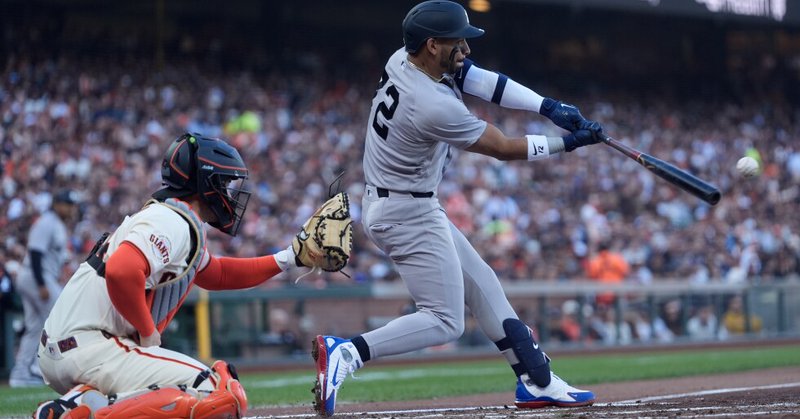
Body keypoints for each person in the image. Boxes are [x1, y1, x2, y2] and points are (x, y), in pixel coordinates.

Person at [311, 1, 603, 416]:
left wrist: (548, 107)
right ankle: (349, 351)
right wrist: (567, 143)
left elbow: (479, 79)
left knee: (483, 283)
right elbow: (502, 148)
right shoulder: (431, 104)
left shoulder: (404, 58)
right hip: (404, 212)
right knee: (445, 320)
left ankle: (536, 380)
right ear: (432, 45)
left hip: (404, 202)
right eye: (457, 42)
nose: (465, 48)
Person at [32, 133, 303, 419]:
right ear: (205, 184)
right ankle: (79, 411)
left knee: (210, 392)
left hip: (70, 350)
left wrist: (288, 258)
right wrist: (148, 332)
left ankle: (81, 404)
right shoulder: (173, 221)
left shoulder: (170, 217)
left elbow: (219, 274)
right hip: (93, 347)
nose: (229, 193)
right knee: (219, 395)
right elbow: (121, 271)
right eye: (224, 182)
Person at [9, 189, 79, 388]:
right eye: (67, 204)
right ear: (56, 204)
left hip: (39, 277)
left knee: (35, 327)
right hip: (35, 276)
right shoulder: (47, 222)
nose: (70, 208)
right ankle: (38, 367)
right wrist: (41, 284)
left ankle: (21, 373)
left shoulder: (56, 224)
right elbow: (35, 253)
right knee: (59, 316)